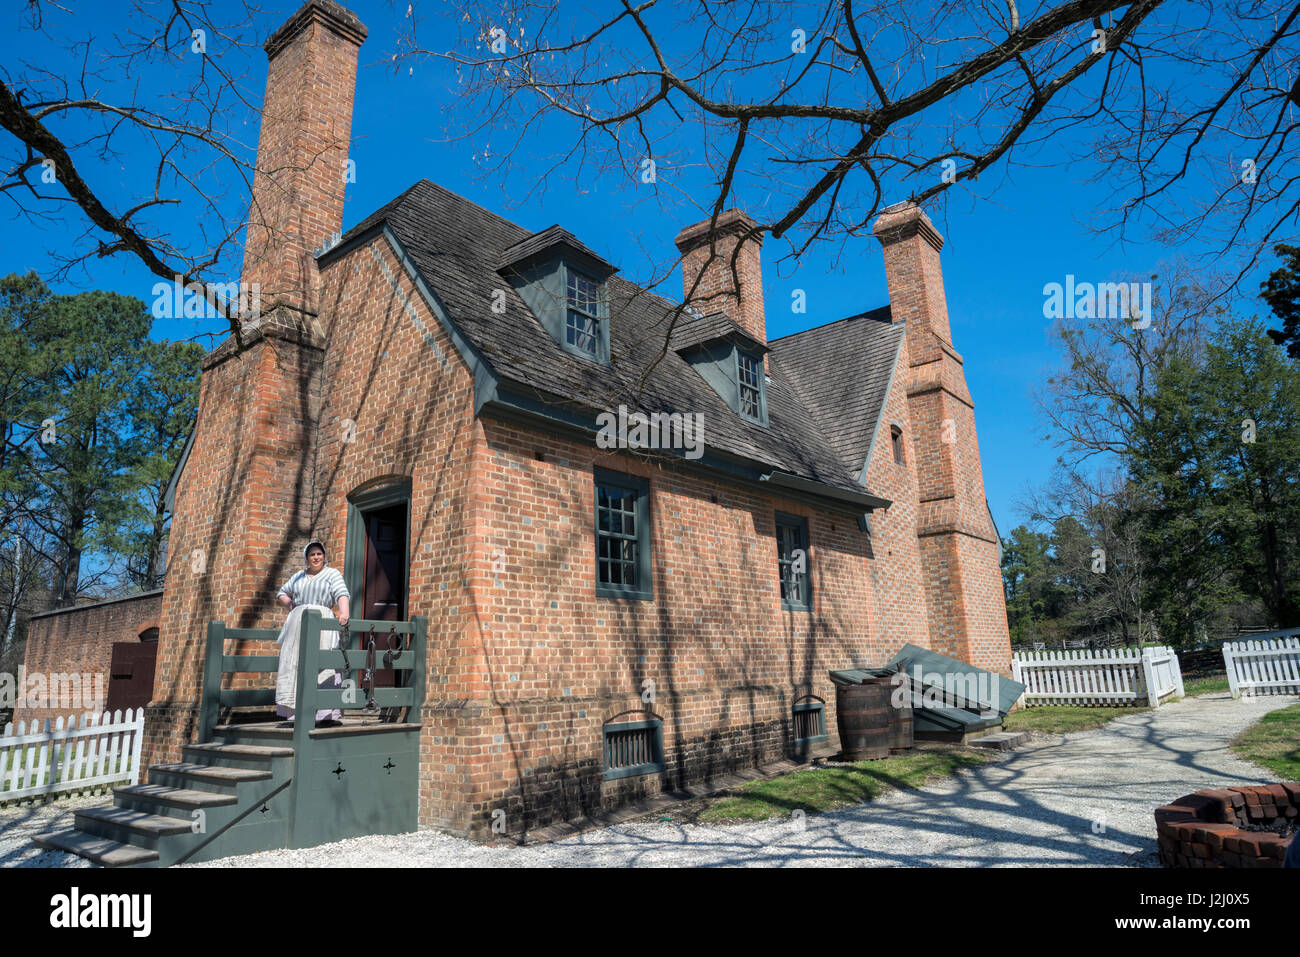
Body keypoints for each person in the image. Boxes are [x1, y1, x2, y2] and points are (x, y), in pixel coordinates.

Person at [274, 540, 350, 727]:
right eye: (312, 554)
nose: (316, 557)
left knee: (322, 664)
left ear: (324, 556)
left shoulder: (332, 574)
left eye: (319, 554)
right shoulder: (299, 576)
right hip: (298, 623)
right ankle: (295, 711)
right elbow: (282, 593)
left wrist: (344, 613)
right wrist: (293, 607)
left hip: (322, 620)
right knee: (295, 662)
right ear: (306, 558)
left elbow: (341, 593)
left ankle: (324, 713)